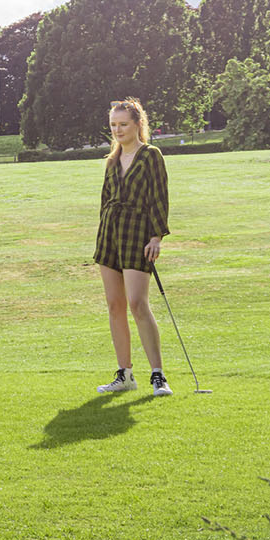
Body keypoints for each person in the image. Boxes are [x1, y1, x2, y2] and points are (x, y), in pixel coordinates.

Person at [93, 97, 174, 397]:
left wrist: (157, 237)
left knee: (138, 303)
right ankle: (124, 374)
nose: (117, 130)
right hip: (109, 235)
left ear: (138, 124)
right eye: (113, 125)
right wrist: (103, 233)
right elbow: (104, 201)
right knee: (115, 305)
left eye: (123, 124)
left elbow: (159, 198)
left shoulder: (151, 155)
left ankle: (158, 375)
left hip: (138, 233)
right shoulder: (112, 160)